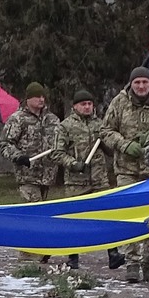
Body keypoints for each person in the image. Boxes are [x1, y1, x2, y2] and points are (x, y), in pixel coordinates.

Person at [99, 65, 149, 283]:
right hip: (126, 170)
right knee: (128, 214)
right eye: (137, 82)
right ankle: (131, 262)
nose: (141, 86)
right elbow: (105, 131)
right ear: (131, 84)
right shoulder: (119, 102)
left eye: (144, 82)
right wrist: (123, 144)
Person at [51, 88, 107, 271]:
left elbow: (109, 147)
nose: (87, 107)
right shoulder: (65, 126)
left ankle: (113, 253)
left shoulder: (101, 125)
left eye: (90, 104)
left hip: (99, 180)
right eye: (83, 104)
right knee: (74, 220)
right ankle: (73, 257)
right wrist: (74, 163)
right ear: (75, 106)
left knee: (107, 216)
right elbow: (57, 153)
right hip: (76, 182)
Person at [1, 83, 60, 207]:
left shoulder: (52, 119)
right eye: (37, 96)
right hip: (27, 176)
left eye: (43, 96)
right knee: (36, 211)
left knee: (43, 212)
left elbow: (60, 142)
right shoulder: (17, 119)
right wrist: (18, 157)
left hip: (47, 176)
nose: (41, 99)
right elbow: (5, 144)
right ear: (28, 99)